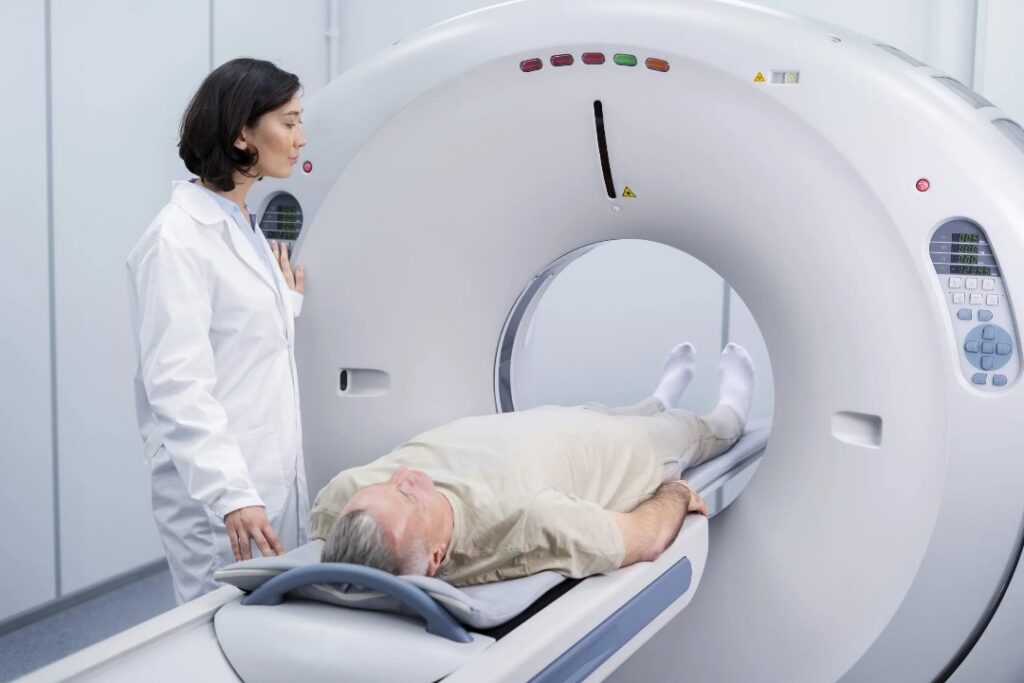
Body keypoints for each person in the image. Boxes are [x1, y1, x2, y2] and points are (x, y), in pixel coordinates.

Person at [312, 342, 756, 586]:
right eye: (408, 496)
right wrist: (675, 491)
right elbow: (648, 538)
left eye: (388, 485)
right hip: (617, 456)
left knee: (599, 410)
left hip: (550, 425)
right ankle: (730, 412)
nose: (405, 477)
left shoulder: (340, 501)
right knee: (685, 431)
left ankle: (657, 397)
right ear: (436, 557)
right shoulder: (526, 525)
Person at [127, 58, 310, 603]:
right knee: (220, 633)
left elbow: (235, 336)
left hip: (264, 473)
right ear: (240, 135)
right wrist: (231, 495)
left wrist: (286, 302)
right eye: (289, 122)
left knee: (270, 629)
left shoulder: (239, 221)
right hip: (221, 496)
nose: (301, 139)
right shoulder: (176, 240)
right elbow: (177, 385)